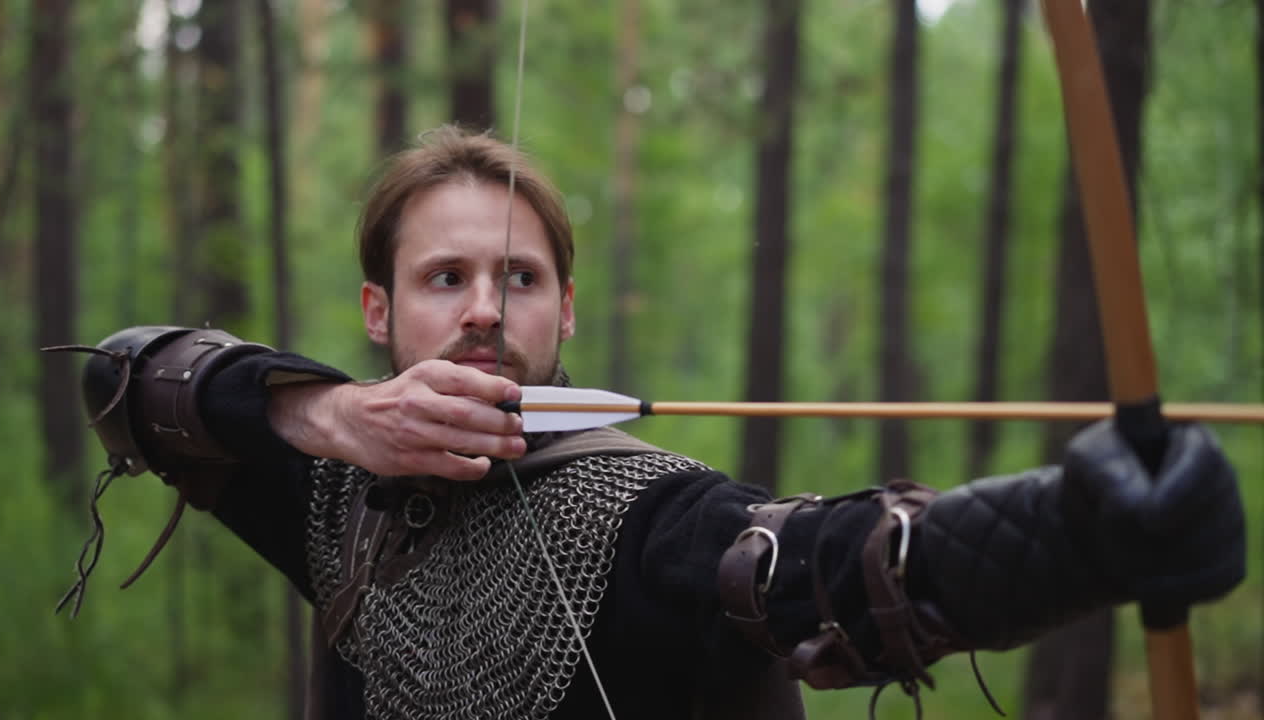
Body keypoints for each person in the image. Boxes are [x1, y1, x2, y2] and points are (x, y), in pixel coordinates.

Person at [65, 126, 1244, 720]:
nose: (483, 309)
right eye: (444, 278)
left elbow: (844, 565)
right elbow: (125, 378)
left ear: (566, 308)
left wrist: (1086, 533)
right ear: (378, 311)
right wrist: (331, 416)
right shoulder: (325, 483)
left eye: (519, 278)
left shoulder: (643, 516)